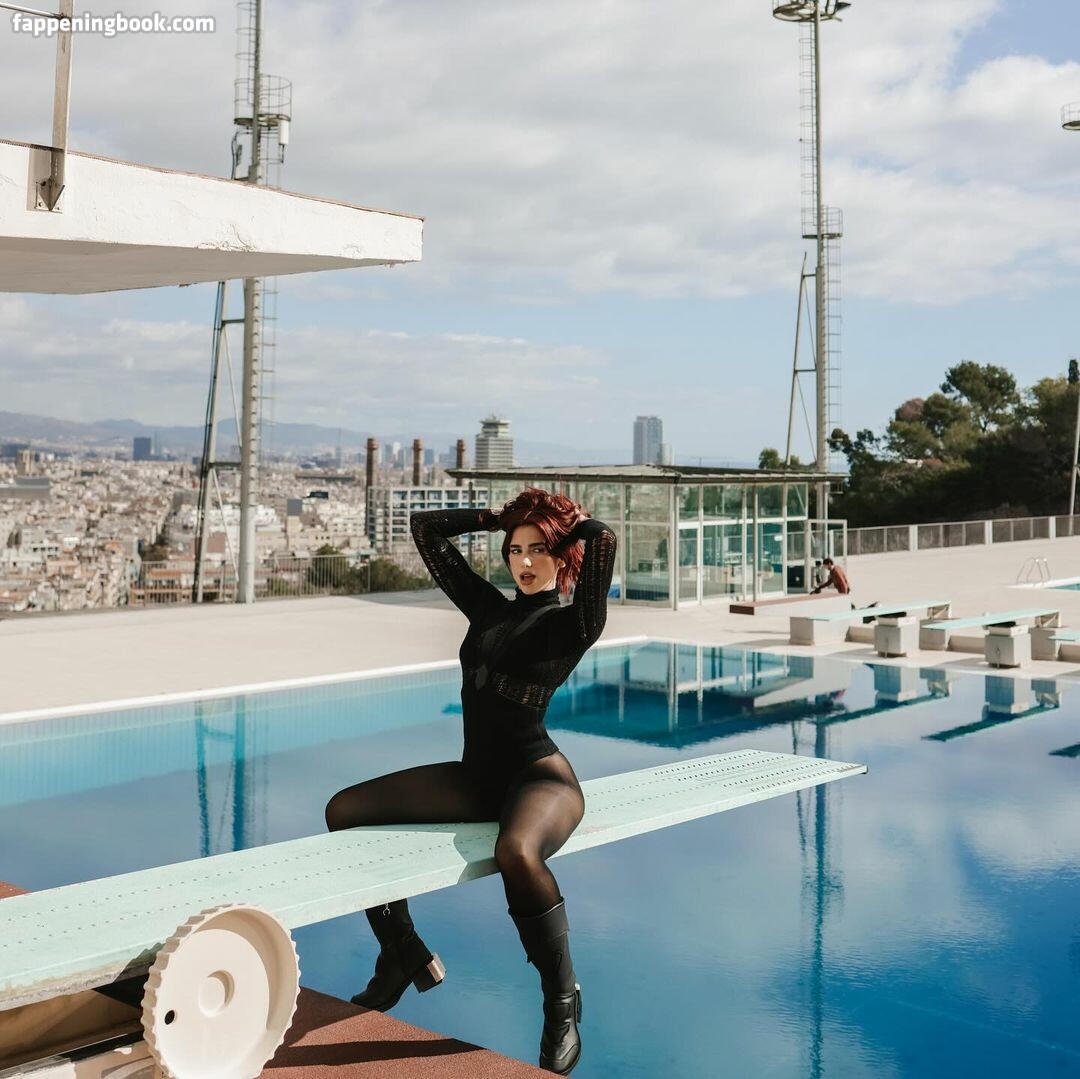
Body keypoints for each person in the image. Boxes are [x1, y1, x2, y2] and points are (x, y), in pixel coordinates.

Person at [325, 487, 617, 1075]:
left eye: (538, 550)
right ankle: (401, 951)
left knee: (517, 852)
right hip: (476, 780)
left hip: (541, 780)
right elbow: (425, 530)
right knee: (344, 811)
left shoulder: (574, 623)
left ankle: (561, 1000)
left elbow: (603, 540)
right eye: (515, 550)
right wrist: (495, 518)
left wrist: (571, 528)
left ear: (560, 555)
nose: (524, 562)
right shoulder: (487, 609)